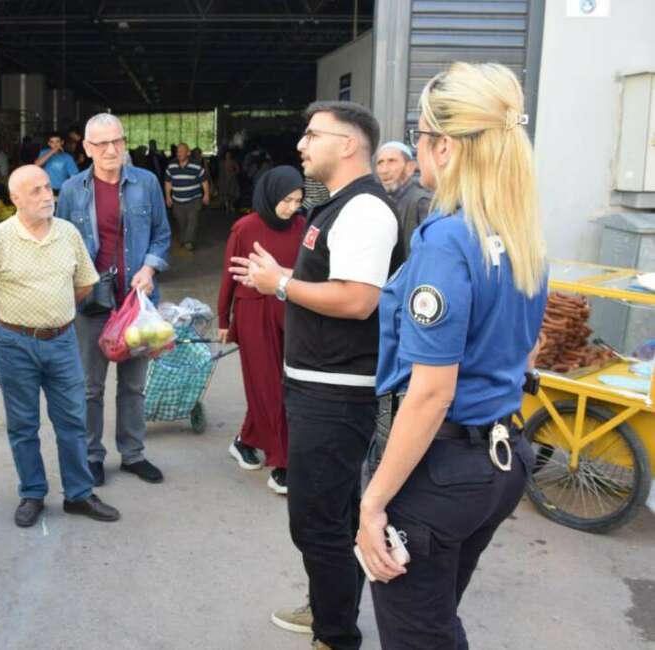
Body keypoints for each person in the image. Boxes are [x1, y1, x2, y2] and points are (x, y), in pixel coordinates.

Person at [357, 62, 547, 650]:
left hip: (439, 469)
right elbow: (529, 344)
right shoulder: (519, 229)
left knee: (420, 635)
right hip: (499, 457)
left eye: (417, 136)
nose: (414, 149)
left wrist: (373, 502)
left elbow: (431, 392)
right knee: (436, 616)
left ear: (443, 145)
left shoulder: (446, 239)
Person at [230, 100, 401, 650]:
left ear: (348, 144)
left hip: (337, 393)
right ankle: (333, 607)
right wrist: (279, 274)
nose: (301, 145)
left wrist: (278, 285)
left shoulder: (366, 210)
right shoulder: (336, 206)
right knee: (333, 514)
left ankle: (336, 635)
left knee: (315, 521)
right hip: (317, 386)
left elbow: (356, 300)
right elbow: (333, 281)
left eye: (312, 135)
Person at [0, 165, 121, 528]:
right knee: (23, 424)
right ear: (15, 198)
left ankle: (78, 494)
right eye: (35, 191)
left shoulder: (68, 234)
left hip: (63, 340)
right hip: (14, 344)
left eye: (48, 188)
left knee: (72, 419)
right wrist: (3, 326)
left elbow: (84, 284)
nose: (47, 196)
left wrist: (58, 312)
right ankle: (32, 493)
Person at [56, 113, 172, 487]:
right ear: (87, 149)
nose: (111, 150)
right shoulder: (73, 189)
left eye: (117, 141)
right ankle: (92, 455)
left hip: (135, 303)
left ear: (125, 143)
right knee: (90, 387)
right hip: (91, 303)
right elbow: (62, 244)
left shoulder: (147, 183)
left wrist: (150, 269)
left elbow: (161, 234)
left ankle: (133, 454)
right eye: (101, 144)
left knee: (134, 385)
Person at [217, 167, 306, 495]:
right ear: (270, 195)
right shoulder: (245, 227)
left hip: (292, 313)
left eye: (297, 201)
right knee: (268, 386)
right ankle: (283, 462)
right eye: (286, 200)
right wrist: (223, 319)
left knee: (285, 383)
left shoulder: (303, 227)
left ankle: (246, 440)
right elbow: (230, 275)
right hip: (253, 313)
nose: (291, 208)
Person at [375, 141, 432, 254]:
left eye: (392, 161)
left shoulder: (422, 201)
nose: (384, 170)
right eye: (380, 163)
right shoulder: (379, 202)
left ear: (410, 167)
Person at [165, 142, 210, 251]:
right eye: (178, 151)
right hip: (177, 201)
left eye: (181, 151)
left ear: (188, 153)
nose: (179, 153)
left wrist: (206, 195)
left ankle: (189, 242)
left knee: (192, 220)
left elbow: (204, 181)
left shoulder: (196, 165)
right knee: (181, 222)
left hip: (194, 199)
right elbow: (168, 182)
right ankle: (184, 238)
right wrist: (168, 197)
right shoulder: (171, 166)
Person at [218, 150, 241, 215]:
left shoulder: (233, 162)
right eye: (226, 154)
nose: (228, 156)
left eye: (229, 154)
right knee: (225, 193)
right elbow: (220, 172)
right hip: (224, 180)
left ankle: (231, 205)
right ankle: (227, 206)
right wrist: (219, 180)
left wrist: (233, 172)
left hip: (232, 179)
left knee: (232, 193)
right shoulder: (222, 162)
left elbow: (238, 170)